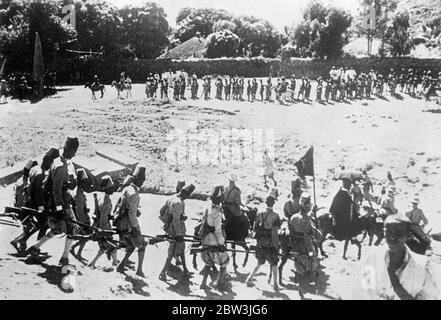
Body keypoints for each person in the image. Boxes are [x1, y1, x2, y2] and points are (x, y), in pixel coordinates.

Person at [353, 214, 441, 300]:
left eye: (398, 233)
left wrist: (400, 290)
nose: (392, 237)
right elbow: (364, 294)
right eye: (388, 232)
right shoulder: (370, 261)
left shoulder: (423, 265)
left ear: (408, 235)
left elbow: (430, 296)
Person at [27, 137, 80, 266]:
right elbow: (56, 190)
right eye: (74, 151)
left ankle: (36, 247)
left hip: (59, 201)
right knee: (73, 229)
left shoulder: (59, 161)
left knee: (57, 229)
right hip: (61, 202)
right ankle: (64, 258)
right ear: (70, 149)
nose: (75, 154)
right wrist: (60, 210)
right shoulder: (60, 166)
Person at [115, 164, 147, 277]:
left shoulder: (127, 189)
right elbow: (132, 214)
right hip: (128, 224)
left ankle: (121, 265)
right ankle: (139, 270)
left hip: (120, 222)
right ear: (138, 179)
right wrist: (135, 228)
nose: (143, 182)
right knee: (142, 245)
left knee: (131, 246)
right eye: (142, 180)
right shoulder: (134, 194)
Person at [159, 184, 195, 281]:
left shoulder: (173, 198)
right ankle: (162, 273)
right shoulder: (178, 202)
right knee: (172, 252)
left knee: (181, 249)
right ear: (185, 194)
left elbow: (163, 211)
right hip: (175, 230)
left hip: (175, 228)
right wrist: (179, 234)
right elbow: (175, 220)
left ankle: (185, 270)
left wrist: (182, 216)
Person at [246, 195, 281, 291]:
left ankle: (249, 279)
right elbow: (275, 233)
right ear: (273, 204)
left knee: (259, 262)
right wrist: (276, 245)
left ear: (266, 203)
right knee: (274, 263)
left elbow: (254, 228)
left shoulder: (260, 214)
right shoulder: (276, 216)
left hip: (261, 242)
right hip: (270, 243)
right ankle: (275, 284)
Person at [289, 192, 320, 298]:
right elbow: (314, 233)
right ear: (307, 207)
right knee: (314, 255)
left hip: (296, 245)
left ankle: (300, 275)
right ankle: (311, 272)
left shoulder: (293, 217)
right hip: (307, 246)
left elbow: (291, 232)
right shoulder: (307, 219)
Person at [199, 186, 230, 289]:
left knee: (208, 261)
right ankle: (219, 283)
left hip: (204, 238)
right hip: (212, 239)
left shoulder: (206, 207)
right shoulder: (217, 212)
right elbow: (218, 231)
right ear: (218, 199)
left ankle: (203, 283)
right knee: (224, 260)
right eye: (221, 197)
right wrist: (222, 244)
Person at [88, 175, 118, 269]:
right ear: (107, 189)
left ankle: (93, 263)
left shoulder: (104, 198)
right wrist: (105, 230)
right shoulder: (105, 201)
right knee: (112, 246)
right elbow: (103, 217)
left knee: (104, 247)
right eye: (111, 188)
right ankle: (115, 263)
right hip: (104, 226)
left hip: (104, 225)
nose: (113, 189)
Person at [329, 178, 360, 259]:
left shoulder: (343, 193)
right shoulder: (343, 194)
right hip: (341, 217)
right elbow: (344, 206)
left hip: (342, 214)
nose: (349, 186)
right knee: (350, 228)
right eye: (348, 185)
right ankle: (350, 238)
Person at [70, 168, 92, 261]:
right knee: (86, 236)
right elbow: (78, 210)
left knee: (86, 237)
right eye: (85, 181)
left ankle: (75, 250)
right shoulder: (78, 193)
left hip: (84, 216)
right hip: (82, 219)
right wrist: (82, 223)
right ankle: (76, 251)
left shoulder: (80, 191)